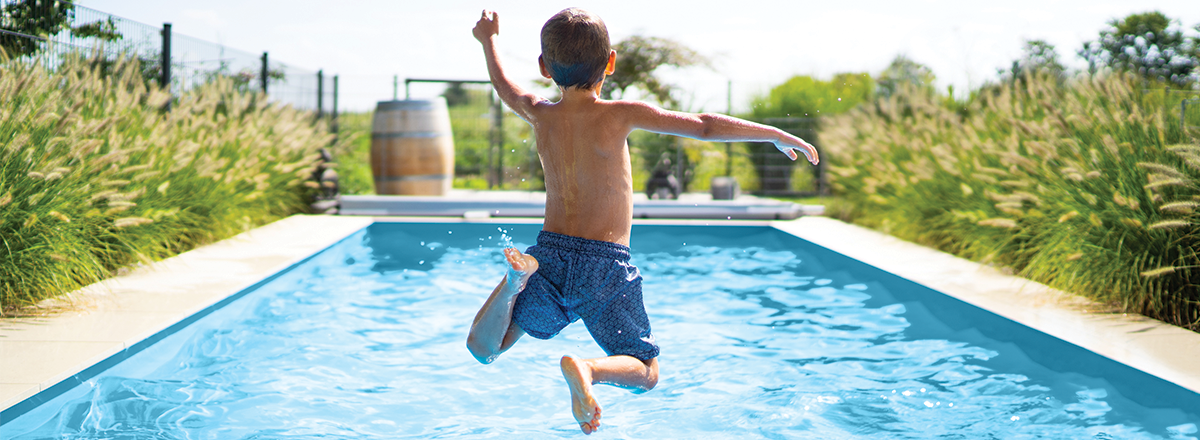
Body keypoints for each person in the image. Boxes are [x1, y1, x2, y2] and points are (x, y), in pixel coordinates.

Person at [465, 8, 818, 434]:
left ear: (544, 67)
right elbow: (704, 126)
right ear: (610, 63)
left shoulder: (540, 113)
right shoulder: (619, 114)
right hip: (604, 265)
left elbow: (504, 87)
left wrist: (488, 41)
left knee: (486, 349)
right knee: (647, 371)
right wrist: (773, 133)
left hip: (549, 256)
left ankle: (512, 283)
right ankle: (588, 369)